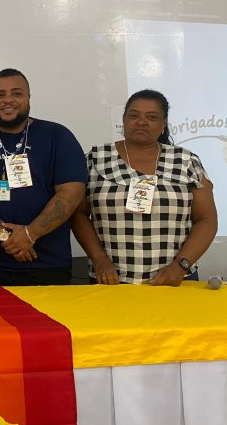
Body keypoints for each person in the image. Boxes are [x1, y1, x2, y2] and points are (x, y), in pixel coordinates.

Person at [0, 68, 87, 286]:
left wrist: (30, 234)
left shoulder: (58, 136)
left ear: (29, 97)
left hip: (47, 265)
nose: (8, 100)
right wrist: (6, 236)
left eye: (17, 93)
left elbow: (72, 193)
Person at [71, 89, 218, 286]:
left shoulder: (186, 161)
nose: (141, 122)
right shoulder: (95, 158)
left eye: (151, 117)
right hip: (110, 280)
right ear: (123, 119)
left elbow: (207, 219)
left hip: (174, 280)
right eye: (134, 115)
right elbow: (78, 213)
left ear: (164, 123)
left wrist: (181, 265)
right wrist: (98, 259)